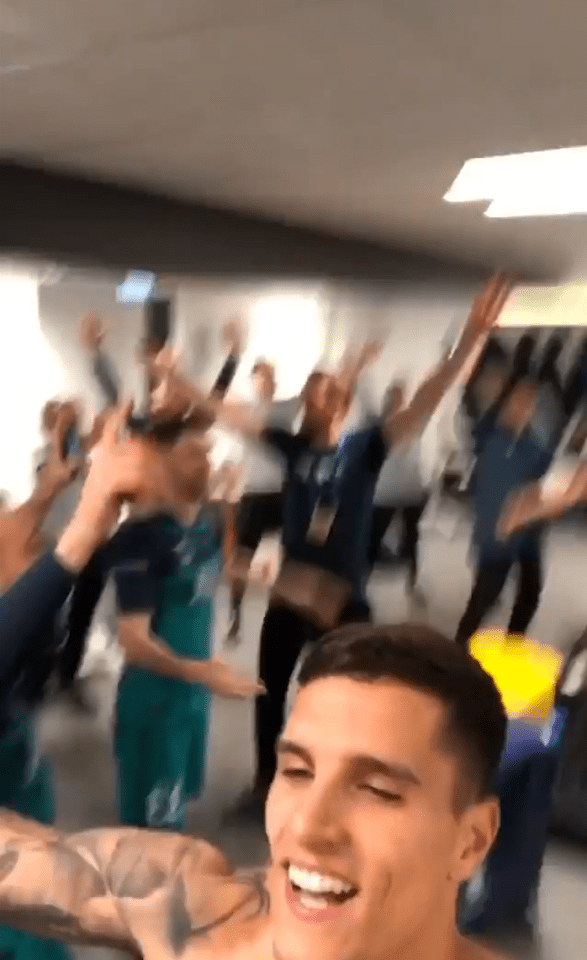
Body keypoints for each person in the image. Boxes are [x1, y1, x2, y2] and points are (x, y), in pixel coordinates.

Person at [152, 276, 511, 815]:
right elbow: (231, 415)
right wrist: (175, 378)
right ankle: (263, 781)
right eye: (312, 387)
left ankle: (341, 787)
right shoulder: (292, 445)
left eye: (324, 386)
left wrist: (468, 342)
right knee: (269, 690)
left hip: (342, 597)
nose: (314, 393)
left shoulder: (366, 448)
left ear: (340, 400)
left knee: (348, 697)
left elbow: (425, 401)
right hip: (292, 591)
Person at [0, 622, 510, 960]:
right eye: (296, 772)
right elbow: (28, 863)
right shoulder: (200, 917)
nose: (307, 826)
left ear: (471, 841)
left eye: (376, 790)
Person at [101, 416, 263, 830]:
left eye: (208, 453)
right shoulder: (140, 538)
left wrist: (282, 582)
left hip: (192, 698)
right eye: (194, 455)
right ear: (161, 462)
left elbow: (213, 569)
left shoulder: (202, 524)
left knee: (177, 809)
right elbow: (132, 640)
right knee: (152, 832)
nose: (206, 464)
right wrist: (204, 672)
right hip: (156, 707)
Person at [454, 377, 556, 647]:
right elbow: (468, 403)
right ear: (505, 402)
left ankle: (513, 645)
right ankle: (459, 646)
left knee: (531, 592)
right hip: (494, 533)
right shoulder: (488, 434)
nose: (524, 406)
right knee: (486, 595)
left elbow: (545, 482)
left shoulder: (535, 444)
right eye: (519, 399)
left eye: (530, 401)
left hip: (528, 533)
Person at [369, 379, 428, 605]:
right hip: (384, 491)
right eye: (395, 397)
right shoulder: (379, 426)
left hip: (410, 490)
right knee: (373, 538)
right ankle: (361, 582)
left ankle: (412, 584)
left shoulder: (415, 422)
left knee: (412, 539)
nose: (399, 401)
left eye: (402, 396)